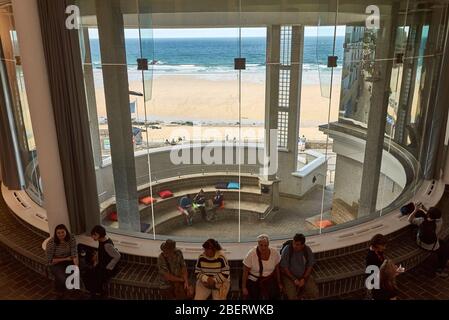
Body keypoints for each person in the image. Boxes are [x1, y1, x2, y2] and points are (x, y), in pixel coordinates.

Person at [408, 204, 449, 277]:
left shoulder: (421, 220)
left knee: (415, 229)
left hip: (420, 243)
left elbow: (410, 220)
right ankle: (441, 268)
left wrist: (416, 210)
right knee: (444, 248)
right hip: (432, 246)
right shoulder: (439, 223)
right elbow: (434, 217)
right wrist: (426, 212)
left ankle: (441, 267)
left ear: (428, 215)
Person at [84, 225, 121, 298]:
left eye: (95, 235)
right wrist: (96, 257)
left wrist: (108, 268)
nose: (93, 237)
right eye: (93, 235)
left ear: (100, 235)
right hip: (102, 264)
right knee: (88, 273)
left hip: (108, 268)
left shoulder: (107, 245)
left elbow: (117, 256)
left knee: (94, 276)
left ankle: (97, 293)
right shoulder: (101, 240)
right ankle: (95, 292)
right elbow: (101, 250)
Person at [242, 234, 282, 300]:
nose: (263, 248)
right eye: (261, 245)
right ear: (258, 244)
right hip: (254, 280)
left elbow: (277, 269)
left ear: (268, 245)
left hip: (269, 279)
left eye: (265, 245)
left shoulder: (274, 253)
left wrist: (279, 283)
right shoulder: (251, 254)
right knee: (254, 296)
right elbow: (245, 271)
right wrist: (244, 287)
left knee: (275, 294)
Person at [280, 233, 319, 300]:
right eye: (294, 243)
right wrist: (294, 279)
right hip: (289, 276)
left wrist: (303, 278)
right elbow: (285, 268)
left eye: (297, 245)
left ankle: (303, 296)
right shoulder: (287, 250)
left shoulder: (307, 250)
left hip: (303, 275)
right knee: (291, 296)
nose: (294, 246)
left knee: (314, 292)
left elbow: (310, 266)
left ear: (303, 245)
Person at [46, 224, 78, 299]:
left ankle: (67, 291)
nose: (61, 234)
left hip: (69, 260)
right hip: (56, 263)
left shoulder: (71, 238)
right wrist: (66, 258)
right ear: (55, 234)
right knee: (63, 278)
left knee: (76, 273)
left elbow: (74, 252)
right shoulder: (52, 243)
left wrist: (76, 266)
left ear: (66, 231)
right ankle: (59, 291)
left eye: (62, 232)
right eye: (58, 233)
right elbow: (50, 260)